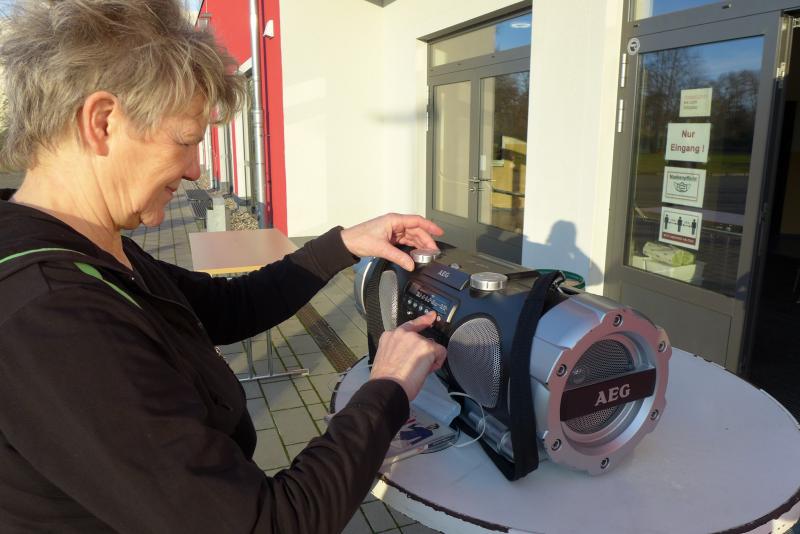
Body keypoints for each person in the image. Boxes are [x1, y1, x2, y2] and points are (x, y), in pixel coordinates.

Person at [0, 1, 446, 532]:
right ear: (102, 123)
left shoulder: (84, 244)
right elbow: (269, 523)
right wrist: (387, 388)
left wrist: (345, 244)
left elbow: (224, 307)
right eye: (185, 141)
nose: (195, 170)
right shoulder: (52, 316)